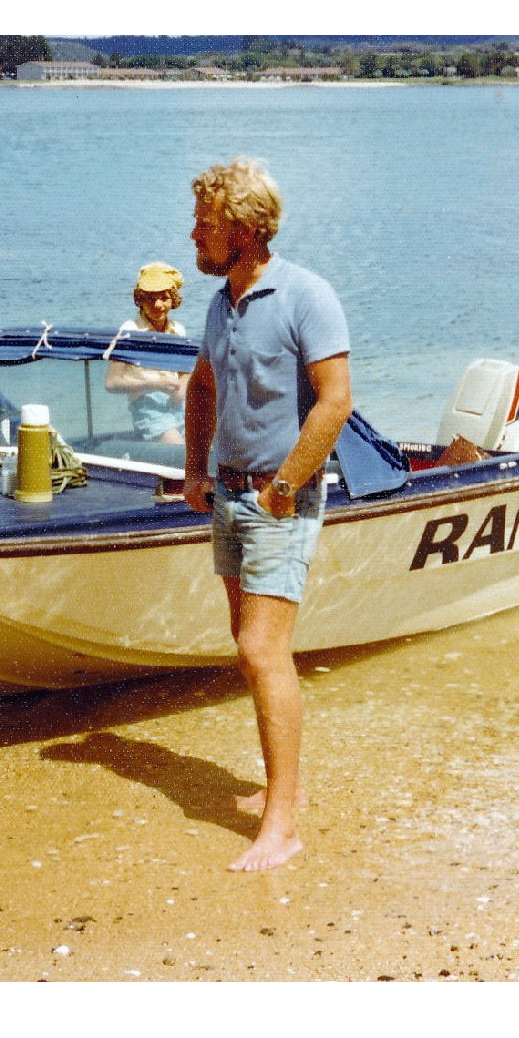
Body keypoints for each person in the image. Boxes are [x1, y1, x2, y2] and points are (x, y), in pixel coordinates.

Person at [182, 159, 354, 872]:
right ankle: (286, 788)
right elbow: (203, 383)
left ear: (246, 231)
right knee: (250, 648)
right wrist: (194, 468)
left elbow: (335, 401)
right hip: (228, 492)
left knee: (261, 651)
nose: (195, 233)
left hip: (278, 497)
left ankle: (281, 824)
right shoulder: (223, 301)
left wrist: (285, 487)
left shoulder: (307, 296)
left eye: (207, 223)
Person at [103, 261, 189, 442]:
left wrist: (183, 388)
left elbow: (185, 374)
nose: (158, 305)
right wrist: (155, 385)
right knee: (180, 451)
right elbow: (112, 383)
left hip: (178, 404)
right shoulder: (130, 331)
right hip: (147, 408)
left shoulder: (178, 330)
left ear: (173, 300)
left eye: (164, 298)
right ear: (140, 300)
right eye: (150, 298)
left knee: (210, 445)